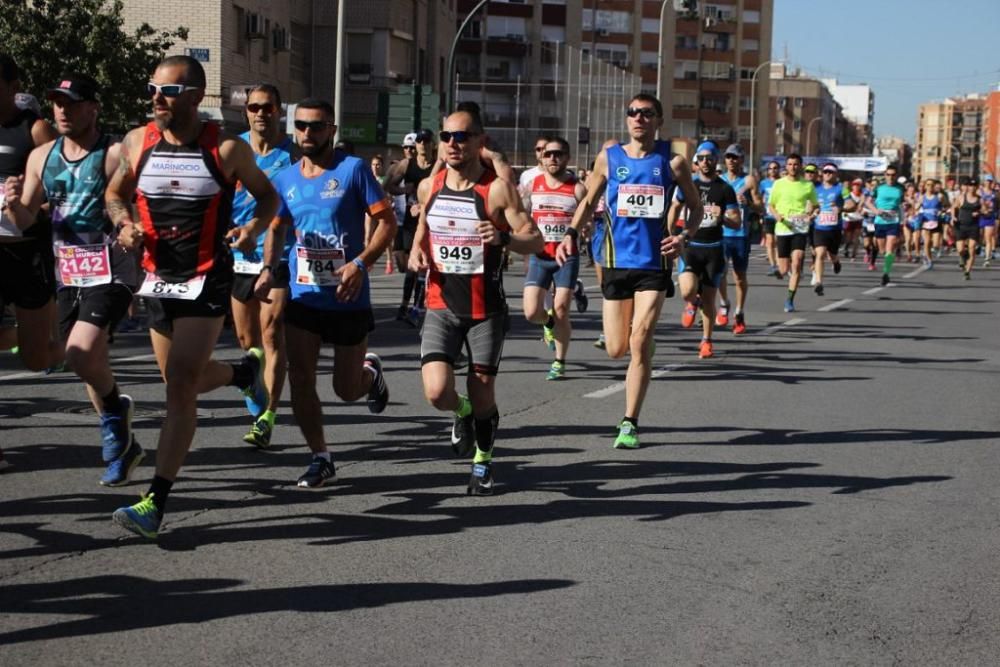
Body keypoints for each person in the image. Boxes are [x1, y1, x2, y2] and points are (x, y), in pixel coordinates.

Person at [105, 55, 279, 538]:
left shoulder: (225, 150)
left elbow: (268, 199)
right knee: (178, 378)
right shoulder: (138, 142)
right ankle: (243, 371)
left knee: (180, 383)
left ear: (196, 96)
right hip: (157, 277)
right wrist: (124, 225)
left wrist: (251, 229)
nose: (158, 99)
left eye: (169, 91)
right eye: (153, 90)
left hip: (206, 278)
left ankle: (155, 502)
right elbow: (115, 193)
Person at [5, 73, 143, 485]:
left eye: (72, 102)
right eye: (56, 102)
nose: (62, 110)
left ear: (93, 108)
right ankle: (125, 445)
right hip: (68, 271)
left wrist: (127, 227)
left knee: (82, 353)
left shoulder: (113, 153)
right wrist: (13, 204)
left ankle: (115, 417)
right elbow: (27, 218)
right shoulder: (41, 156)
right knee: (85, 361)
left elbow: (131, 203)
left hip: (112, 268)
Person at [261, 98, 394, 488]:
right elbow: (275, 226)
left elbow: (386, 221)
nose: (307, 133)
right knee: (300, 377)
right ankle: (320, 455)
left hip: (348, 295)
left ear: (331, 130)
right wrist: (270, 269)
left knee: (346, 389)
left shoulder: (352, 171)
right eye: (301, 126)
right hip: (304, 296)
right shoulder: (285, 179)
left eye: (316, 126)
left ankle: (370, 375)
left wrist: (361, 263)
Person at [556, 94, 699, 449]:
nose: (638, 118)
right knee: (617, 349)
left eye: (646, 113)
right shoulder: (609, 157)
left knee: (637, 342)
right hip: (617, 262)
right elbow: (588, 201)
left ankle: (629, 422)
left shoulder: (673, 161)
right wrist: (570, 234)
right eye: (633, 113)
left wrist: (683, 237)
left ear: (658, 120)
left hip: (655, 262)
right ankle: (642, 344)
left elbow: (695, 206)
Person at [409, 110, 541, 494]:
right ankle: (461, 412)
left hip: (486, 309)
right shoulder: (429, 187)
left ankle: (482, 460)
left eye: (462, 136)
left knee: (483, 392)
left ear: (479, 140)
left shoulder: (496, 189)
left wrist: (503, 240)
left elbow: (533, 239)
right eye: (447, 136)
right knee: (436, 393)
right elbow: (423, 227)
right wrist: (417, 251)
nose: (453, 144)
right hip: (441, 304)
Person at [230, 83, 298, 449]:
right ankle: (256, 396)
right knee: (247, 342)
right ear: (246, 112)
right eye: (254, 107)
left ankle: (266, 417)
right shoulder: (234, 149)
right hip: (238, 257)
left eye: (267, 107)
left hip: (280, 257)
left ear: (279, 111)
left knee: (271, 335)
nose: (260, 113)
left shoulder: (293, 155)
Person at [0, 54, 59, 372]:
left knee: (35, 359)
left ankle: (84, 354)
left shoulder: (35, 130)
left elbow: (63, 193)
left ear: (13, 87)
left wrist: (27, 207)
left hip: (27, 254)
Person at [522, 136, 586, 379]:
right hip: (540, 254)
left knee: (561, 308)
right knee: (530, 312)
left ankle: (559, 360)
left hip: (565, 257)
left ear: (567, 158)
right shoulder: (532, 185)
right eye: (548, 154)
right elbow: (519, 211)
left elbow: (590, 212)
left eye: (558, 154)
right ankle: (547, 324)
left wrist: (583, 229)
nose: (552, 158)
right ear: (541, 157)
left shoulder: (577, 188)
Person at [670, 141, 740, 359]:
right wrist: (671, 231)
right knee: (687, 290)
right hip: (691, 246)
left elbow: (737, 222)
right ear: (696, 162)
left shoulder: (725, 189)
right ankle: (692, 302)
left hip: (714, 249)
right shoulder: (688, 185)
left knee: (710, 299)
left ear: (716, 160)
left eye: (710, 158)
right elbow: (675, 207)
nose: (705, 162)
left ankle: (706, 341)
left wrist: (724, 219)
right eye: (701, 158)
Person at [384, 129, 434, 326]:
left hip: (431, 222)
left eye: (426, 140)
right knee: (407, 267)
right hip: (411, 222)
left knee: (419, 268)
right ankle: (411, 305)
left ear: (432, 144)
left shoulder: (439, 166)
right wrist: (404, 190)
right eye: (419, 141)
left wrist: (425, 205)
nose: (422, 144)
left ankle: (413, 307)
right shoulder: (407, 165)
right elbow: (387, 185)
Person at [717, 143, 760, 334]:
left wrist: (749, 202)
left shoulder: (749, 180)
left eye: (735, 157)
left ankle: (739, 312)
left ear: (742, 159)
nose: (731, 161)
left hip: (740, 235)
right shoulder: (719, 180)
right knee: (719, 272)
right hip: (722, 233)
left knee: (740, 277)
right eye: (728, 157)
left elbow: (761, 207)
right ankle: (724, 302)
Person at [766, 153, 817, 313]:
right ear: (786, 166)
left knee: (797, 260)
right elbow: (771, 205)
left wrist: (812, 214)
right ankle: (785, 271)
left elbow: (816, 206)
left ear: (800, 166)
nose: (792, 167)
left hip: (800, 228)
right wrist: (777, 216)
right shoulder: (779, 184)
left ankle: (789, 299)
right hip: (783, 228)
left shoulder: (808, 185)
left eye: (795, 164)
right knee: (783, 269)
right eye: (789, 164)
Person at [865, 165, 904, 286]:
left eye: (893, 175)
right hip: (880, 221)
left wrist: (902, 219)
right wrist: (876, 211)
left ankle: (886, 273)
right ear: (885, 175)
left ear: (896, 176)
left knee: (889, 248)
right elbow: (868, 202)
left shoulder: (900, 188)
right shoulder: (879, 188)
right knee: (882, 250)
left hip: (894, 220)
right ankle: (889, 258)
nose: (890, 177)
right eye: (888, 174)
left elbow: (901, 205)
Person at [811, 163, 844, 296]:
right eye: (825, 171)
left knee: (832, 254)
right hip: (819, 227)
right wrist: (812, 211)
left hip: (835, 228)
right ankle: (819, 282)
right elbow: (810, 204)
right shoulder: (816, 188)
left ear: (836, 174)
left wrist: (841, 208)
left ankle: (836, 262)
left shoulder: (841, 189)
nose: (827, 174)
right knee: (820, 253)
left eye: (831, 171)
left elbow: (851, 203)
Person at [952, 177, 981, 280]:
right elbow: (954, 207)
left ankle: (967, 271)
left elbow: (986, 211)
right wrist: (953, 217)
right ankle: (963, 258)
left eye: (974, 186)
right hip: (961, 225)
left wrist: (979, 213)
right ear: (967, 187)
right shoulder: (961, 197)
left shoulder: (979, 199)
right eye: (970, 186)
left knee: (972, 248)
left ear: (977, 187)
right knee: (960, 250)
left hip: (973, 226)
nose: (972, 188)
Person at [759, 161, 782, 276]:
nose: (772, 170)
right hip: (768, 215)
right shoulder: (763, 183)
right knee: (770, 241)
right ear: (767, 170)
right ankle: (773, 266)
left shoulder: (783, 182)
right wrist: (760, 213)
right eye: (770, 168)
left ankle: (780, 265)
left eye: (775, 168)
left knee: (778, 241)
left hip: (780, 216)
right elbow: (759, 199)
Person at [918, 179, 944, 268]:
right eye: (928, 185)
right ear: (925, 186)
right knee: (927, 242)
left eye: (932, 185)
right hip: (926, 222)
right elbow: (916, 207)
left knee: (936, 244)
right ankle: (929, 260)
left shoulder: (939, 196)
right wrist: (917, 207)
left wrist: (942, 211)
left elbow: (945, 206)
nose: (930, 186)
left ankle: (927, 253)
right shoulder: (922, 197)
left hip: (936, 221)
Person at [841, 178, 865, 260]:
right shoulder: (849, 195)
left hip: (858, 219)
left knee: (856, 238)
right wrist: (845, 212)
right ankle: (846, 248)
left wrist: (862, 210)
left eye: (858, 185)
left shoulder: (862, 195)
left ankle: (854, 255)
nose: (857, 187)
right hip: (849, 219)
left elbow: (863, 205)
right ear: (852, 186)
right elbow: (844, 205)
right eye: (855, 185)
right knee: (848, 239)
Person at [979, 176, 996, 266]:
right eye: (987, 181)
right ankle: (980, 247)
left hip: (990, 216)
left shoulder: (994, 193)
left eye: (990, 181)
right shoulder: (979, 191)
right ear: (984, 181)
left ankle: (987, 259)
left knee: (988, 237)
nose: (988, 183)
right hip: (980, 216)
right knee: (980, 235)